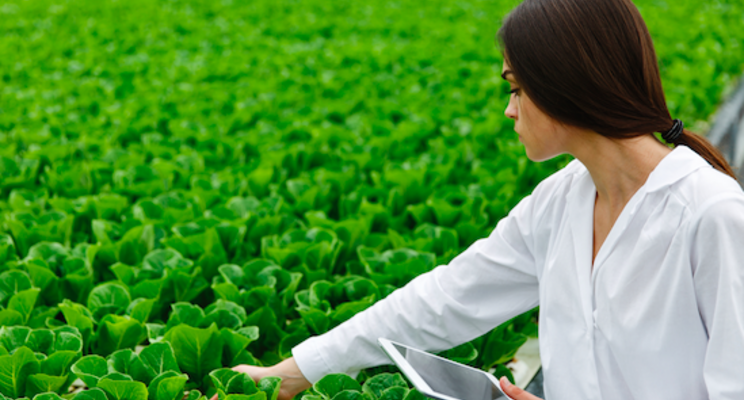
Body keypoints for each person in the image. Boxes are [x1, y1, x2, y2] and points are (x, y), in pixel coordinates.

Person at [218, 0, 744, 399]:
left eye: (516, 88)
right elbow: (445, 299)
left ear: (565, 83)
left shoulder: (711, 215)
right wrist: (287, 375)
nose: (509, 111)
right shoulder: (561, 202)